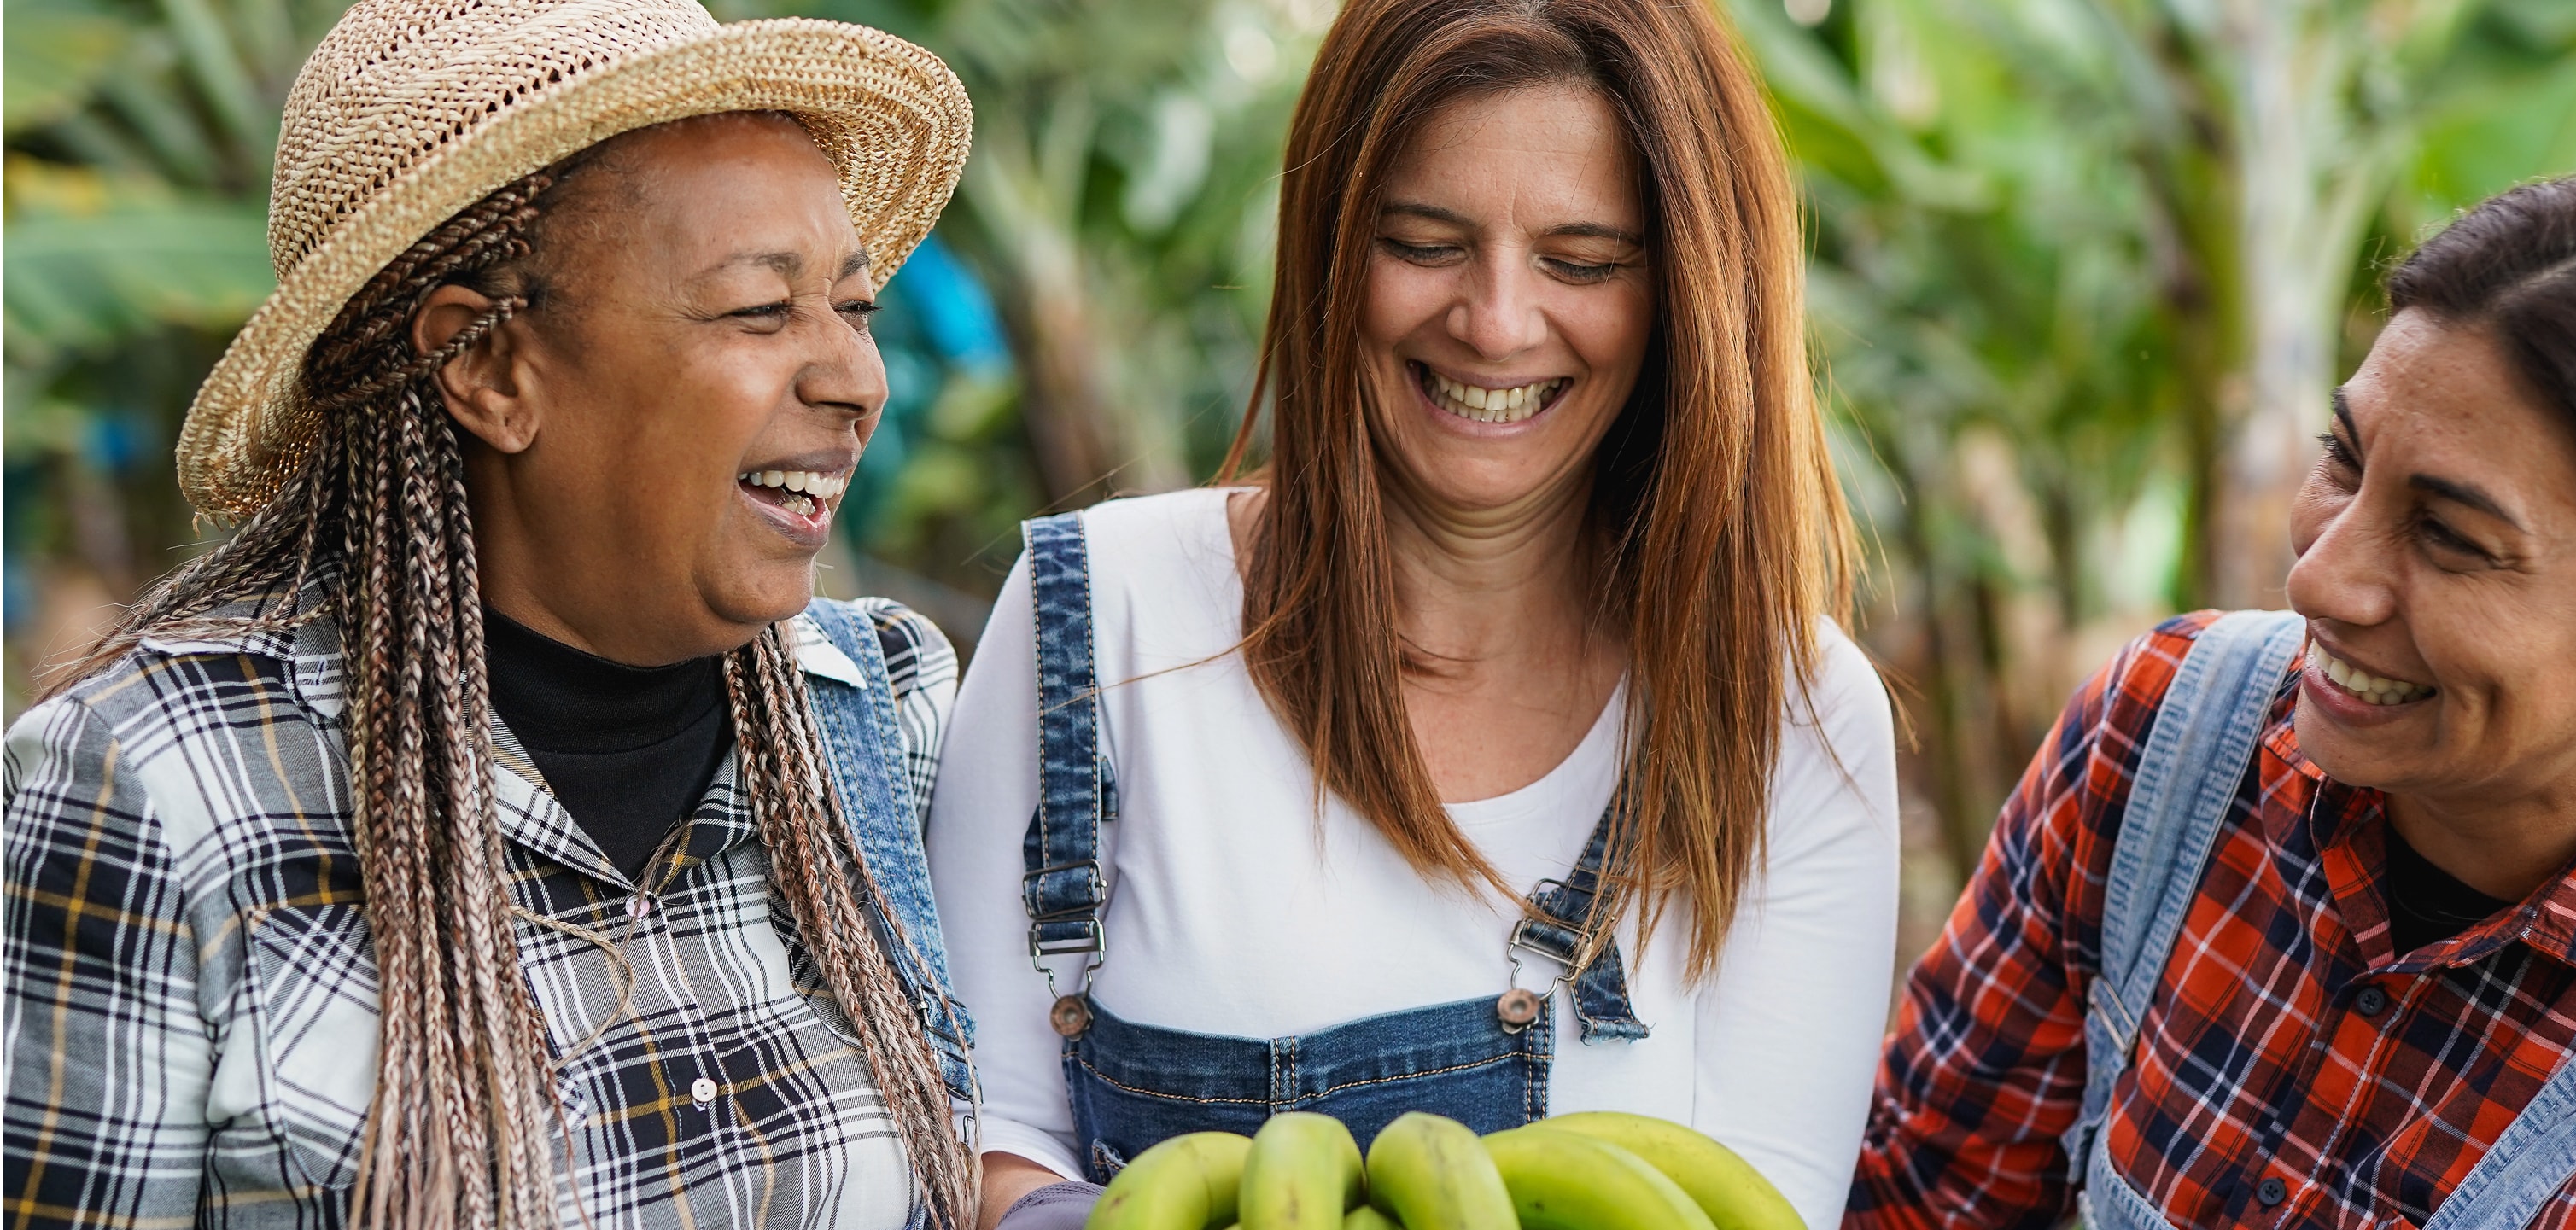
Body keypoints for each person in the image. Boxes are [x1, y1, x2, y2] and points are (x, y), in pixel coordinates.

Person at [0, 1, 984, 1227]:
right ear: (489, 368)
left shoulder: (878, 710)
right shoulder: (159, 783)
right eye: (758, 310)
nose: (856, 379)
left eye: (854, 306)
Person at [921, 0, 1901, 1226]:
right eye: (1425, 243)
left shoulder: (1790, 719)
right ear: (1330, 249)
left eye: (1582, 260)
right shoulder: (1095, 624)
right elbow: (974, 1126)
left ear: (1685, 294)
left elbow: (1771, 1198)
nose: (1494, 322)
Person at [1850, 172, 2576, 1229]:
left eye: (2451, 537)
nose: (2320, 578)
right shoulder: (2164, 739)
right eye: (2343, 457)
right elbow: (1921, 1194)